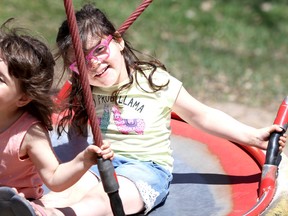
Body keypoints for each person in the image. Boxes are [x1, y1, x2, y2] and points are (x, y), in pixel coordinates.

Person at [0, 18, 114, 216]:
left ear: (23, 97)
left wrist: (83, 161)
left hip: (18, 204)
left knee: (19, 208)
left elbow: (53, 178)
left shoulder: (29, 133)